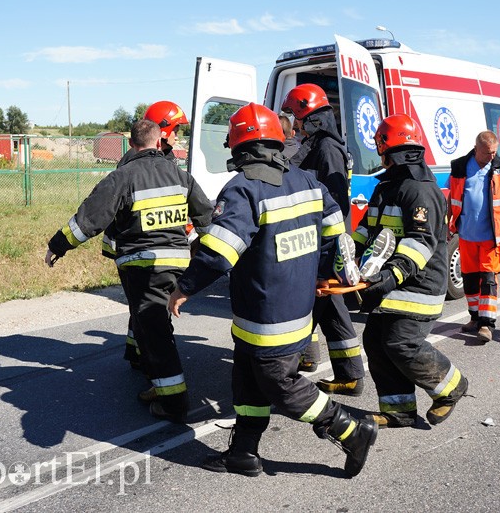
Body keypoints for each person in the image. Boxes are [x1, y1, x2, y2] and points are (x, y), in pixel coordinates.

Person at [167, 103, 376, 477]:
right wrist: (326, 271)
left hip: (267, 317)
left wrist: (184, 287)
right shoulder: (308, 182)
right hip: (283, 312)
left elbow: (219, 251)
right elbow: (334, 233)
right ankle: (244, 454)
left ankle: (349, 429)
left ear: (238, 146)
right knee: (246, 382)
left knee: (282, 387)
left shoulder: (243, 189)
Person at [45, 119, 213, 422]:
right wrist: (208, 260)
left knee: (155, 330)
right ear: (159, 139)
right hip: (177, 263)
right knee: (154, 321)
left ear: (131, 144)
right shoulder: (181, 176)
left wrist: (58, 245)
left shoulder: (122, 177)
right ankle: (154, 377)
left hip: (142, 265)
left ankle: (173, 402)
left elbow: (89, 219)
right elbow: (206, 220)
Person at [352, 114, 468, 429]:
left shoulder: (419, 190)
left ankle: (451, 386)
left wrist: (390, 276)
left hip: (419, 284)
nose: (381, 157)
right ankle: (399, 410)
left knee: (400, 342)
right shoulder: (386, 186)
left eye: (381, 149)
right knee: (376, 341)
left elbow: (421, 241)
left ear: (389, 149)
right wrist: (346, 257)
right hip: (394, 282)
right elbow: (368, 229)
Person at [281, 84, 365, 395]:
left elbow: (336, 202)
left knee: (311, 302)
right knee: (331, 306)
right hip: (322, 240)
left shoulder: (327, 149)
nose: (296, 124)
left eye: (297, 117)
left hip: (324, 241)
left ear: (311, 117)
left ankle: (283, 373)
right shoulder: (318, 145)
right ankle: (350, 374)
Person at [105, 100, 191, 367]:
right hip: (137, 246)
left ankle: (137, 352)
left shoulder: (157, 158)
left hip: (139, 245)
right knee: (150, 309)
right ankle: (152, 363)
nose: (178, 136)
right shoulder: (141, 163)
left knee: (141, 305)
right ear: (162, 132)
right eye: (176, 130)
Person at [448, 131, 500, 342]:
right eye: (488, 153)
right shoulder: (460, 166)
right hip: (467, 235)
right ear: (476, 148)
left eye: (494, 152)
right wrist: (448, 223)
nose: (492, 157)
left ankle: (487, 325)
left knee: (488, 280)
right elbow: (453, 196)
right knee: (469, 280)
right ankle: (475, 317)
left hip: (491, 237)